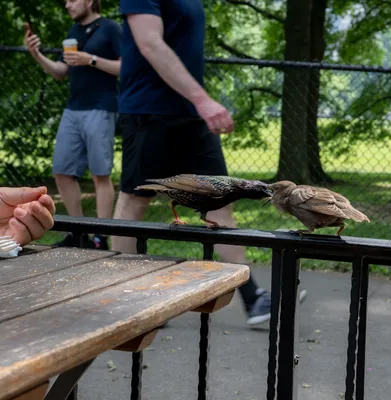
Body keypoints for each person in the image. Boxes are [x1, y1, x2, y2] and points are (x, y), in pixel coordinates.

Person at [112, 0, 306, 327]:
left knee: (221, 200)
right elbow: (149, 42)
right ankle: (128, 300)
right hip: (149, 111)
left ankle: (253, 298)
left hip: (191, 114)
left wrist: (197, 101)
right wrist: (203, 99)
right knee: (136, 199)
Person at [23, 0, 122, 250]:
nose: (67, 5)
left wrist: (90, 59)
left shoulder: (111, 28)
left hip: (101, 108)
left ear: (89, 1)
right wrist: (36, 54)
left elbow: (125, 68)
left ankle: (101, 237)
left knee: (100, 175)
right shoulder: (73, 32)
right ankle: (79, 234)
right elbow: (60, 71)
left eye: (72, 0)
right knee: (62, 171)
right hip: (73, 109)